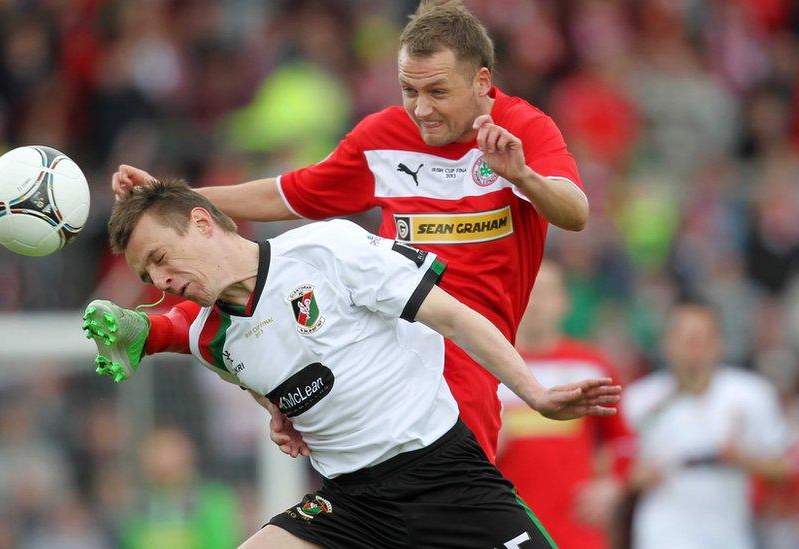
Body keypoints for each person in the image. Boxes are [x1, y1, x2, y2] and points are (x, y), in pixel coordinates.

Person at [111, 0, 588, 462]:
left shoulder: (523, 129)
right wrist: (172, 200)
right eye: (408, 90)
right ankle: (163, 333)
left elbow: (575, 212)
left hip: (468, 357)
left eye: (437, 92)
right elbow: (288, 194)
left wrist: (522, 175)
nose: (420, 109)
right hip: (386, 342)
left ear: (481, 81)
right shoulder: (383, 135)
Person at [82, 179, 619, 548]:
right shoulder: (209, 337)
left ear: (201, 223)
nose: (160, 280)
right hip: (351, 505)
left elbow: (454, 318)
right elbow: (269, 375)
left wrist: (535, 393)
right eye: (146, 276)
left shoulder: (325, 249)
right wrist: (280, 415)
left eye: (158, 258)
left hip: (444, 477)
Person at [623, 300, 793, 549]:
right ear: (666, 343)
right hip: (661, 531)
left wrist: (742, 459)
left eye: (702, 339)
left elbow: (784, 468)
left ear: (719, 343)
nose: (693, 349)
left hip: (729, 533)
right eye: (685, 339)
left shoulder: (751, 393)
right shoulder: (639, 399)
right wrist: (638, 477)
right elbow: (613, 469)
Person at [495, 260, 634, 549]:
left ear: (565, 302)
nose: (536, 303)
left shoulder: (591, 365)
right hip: (507, 529)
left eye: (546, 292)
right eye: (528, 290)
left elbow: (624, 440)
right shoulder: (488, 366)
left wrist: (614, 485)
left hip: (577, 530)